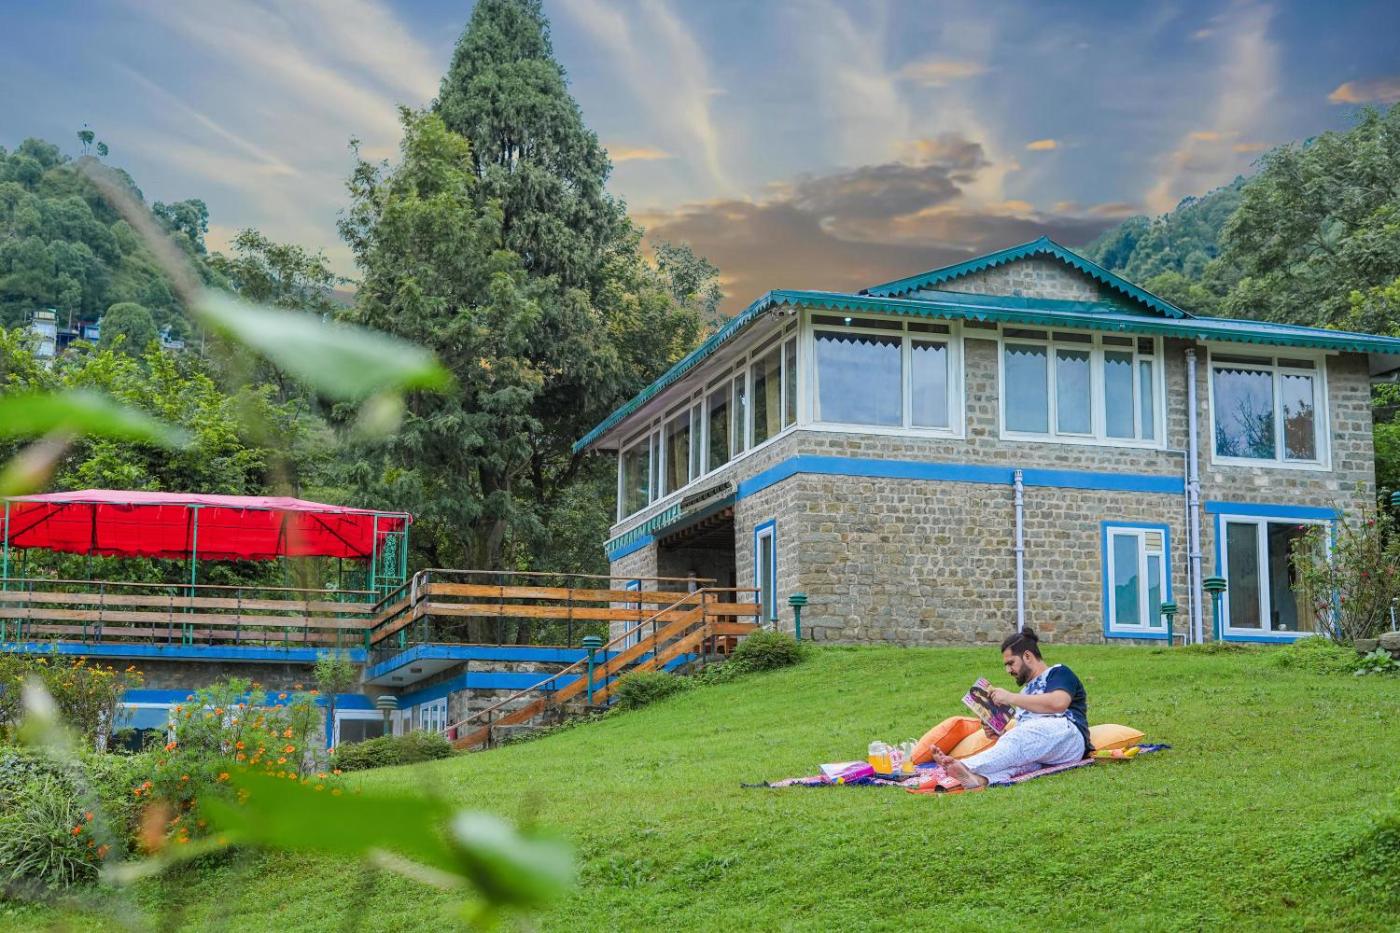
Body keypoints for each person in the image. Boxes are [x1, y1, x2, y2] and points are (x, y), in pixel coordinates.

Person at [932, 627, 1090, 789]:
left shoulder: (1058, 672)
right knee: (1017, 764)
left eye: (1011, 663)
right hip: (1044, 748)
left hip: (1069, 738)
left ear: (1027, 656)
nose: (1008, 670)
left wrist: (1010, 697)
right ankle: (978, 779)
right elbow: (1027, 738)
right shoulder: (1024, 693)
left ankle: (964, 766)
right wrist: (1000, 734)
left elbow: (1058, 703)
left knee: (1020, 737)